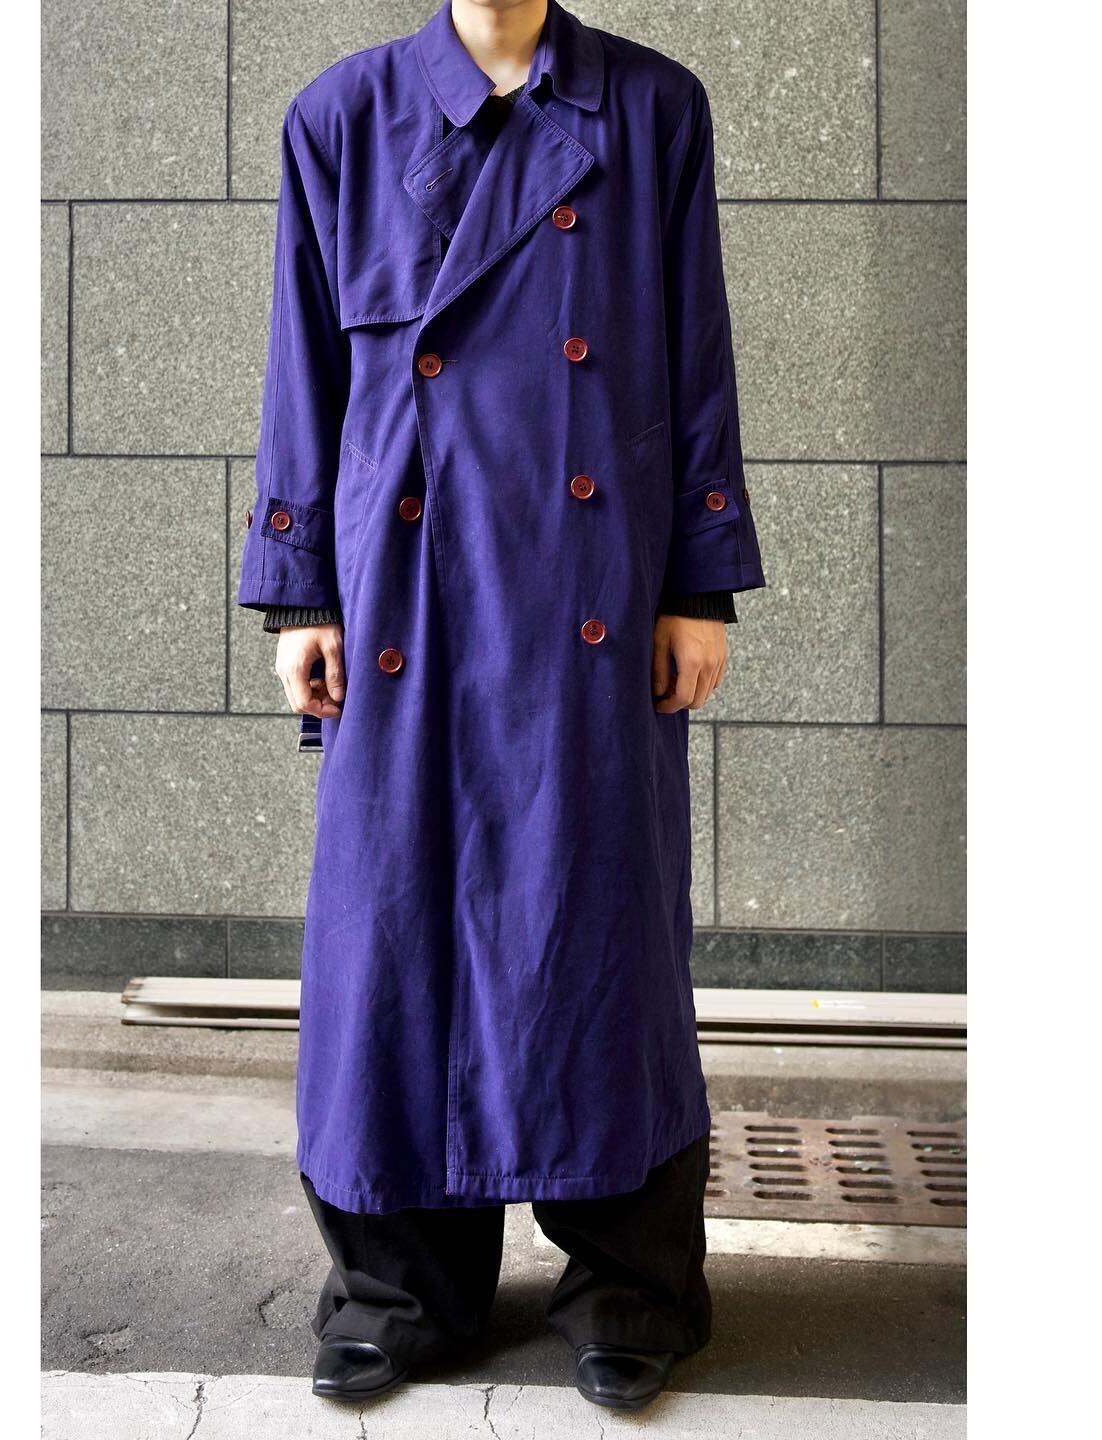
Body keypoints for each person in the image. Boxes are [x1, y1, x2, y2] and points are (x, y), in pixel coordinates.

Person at [236, 0, 766, 1412]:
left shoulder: (651, 109)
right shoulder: (340, 116)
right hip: (403, 584)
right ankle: (400, 1287)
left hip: (589, 578)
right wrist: (301, 591)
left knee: (601, 922)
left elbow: (694, 350)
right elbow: (305, 363)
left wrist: (698, 580)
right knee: (394, 920)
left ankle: (630, 1283)